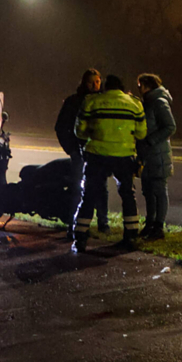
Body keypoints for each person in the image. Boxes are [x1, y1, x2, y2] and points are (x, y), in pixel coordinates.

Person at [71, 74, 147, 253]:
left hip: (97, 156)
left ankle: (80, 237)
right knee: (128, 195)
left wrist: (93, 134)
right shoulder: (135, 104)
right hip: (124, 156)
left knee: (88, 196)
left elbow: (79, 131)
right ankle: (131, 236)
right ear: (121, 87)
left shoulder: (92, 102)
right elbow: (142, 133)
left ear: (105, 87)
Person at [54, 69, 108, 238]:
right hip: (80, 152)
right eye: (92, 82)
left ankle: (103, 223)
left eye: (98, 81)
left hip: (99, 152)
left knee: (101, 188)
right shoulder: (74, 101)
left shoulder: (103, 101)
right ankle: (74, 223)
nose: (95, 85)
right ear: (84, 83)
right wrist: (70, 148)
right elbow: (61, 126)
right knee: (78, 187)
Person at [136, 73, 175, 241]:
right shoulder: (148, 103)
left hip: (158, 154)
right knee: (148, 191)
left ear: (146, 85)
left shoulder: (159, 102)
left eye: (140, 85)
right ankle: (150, 223)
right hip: (147, 155)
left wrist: (151, 140)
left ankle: (159, 226)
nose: (139, 89)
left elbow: (170, 126)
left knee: (159, 190)